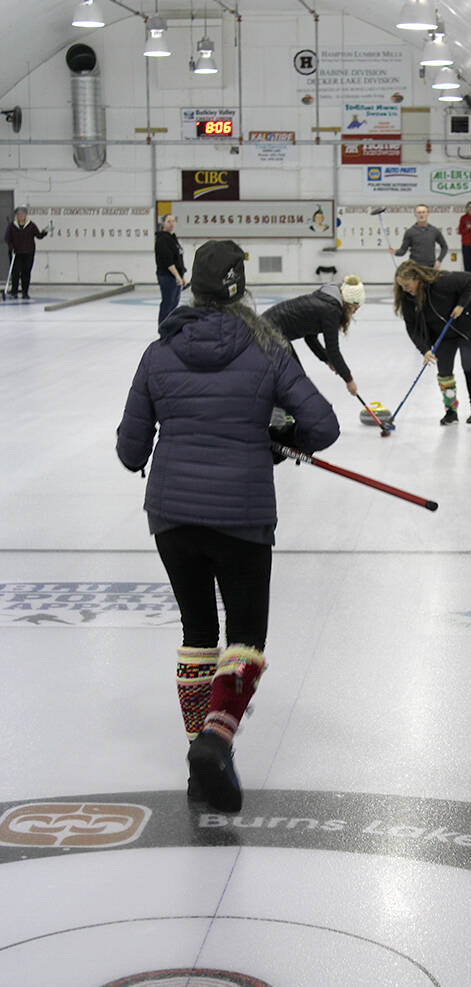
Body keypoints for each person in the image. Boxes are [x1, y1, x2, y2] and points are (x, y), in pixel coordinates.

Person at [116, 239, 340, 812]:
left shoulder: (158, 351)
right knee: (244, 639)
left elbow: (130, 449)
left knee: (196, 632)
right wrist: (279, 438)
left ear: (192, 285)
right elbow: (323, 427)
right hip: (241, 514)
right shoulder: (267, 347)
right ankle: (216, 739)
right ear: (242, 287)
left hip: (171, 514)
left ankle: (200, 762)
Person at [393, 260, 471, 425]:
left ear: (417, 279)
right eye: (401, 286)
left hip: (468, 327)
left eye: (407, 285)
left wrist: (461, 305)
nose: (405, 290)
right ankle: (451, 411)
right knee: (444, 373)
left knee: (469, 363)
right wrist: (425, 350)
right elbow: (412, 327)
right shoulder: (407, 298)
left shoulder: (441, 281)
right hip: (443, 335)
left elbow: (470, 279)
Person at [261, 276, 365, 397]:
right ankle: (283, 411)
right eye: (355, 309)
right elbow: (333, 350)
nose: (353, 313)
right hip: (270, 333)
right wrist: (349, 380)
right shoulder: (331, 310)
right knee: (295, 379)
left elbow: (310, 337)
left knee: (294, 378)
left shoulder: (326, 301)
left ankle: (283, 409)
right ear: (349, 304)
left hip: (268, 328)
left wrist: (326, 359)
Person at [3, 206, 48, 299]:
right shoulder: (12, 225)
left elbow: (38, 235)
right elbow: (7, 238)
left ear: (25, 215)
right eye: (19, 214)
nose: (20, 216)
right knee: (15, 273)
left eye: (22, 214)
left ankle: (25, 292)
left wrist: (44, 233)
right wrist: (12, 248)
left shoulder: (31, 225)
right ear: (16, 215)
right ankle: (14, 292)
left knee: (26, 272)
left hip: (28, 252)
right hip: (16, 253)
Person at [390, 204, 448, 270]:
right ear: (415, 214)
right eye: (419, 212)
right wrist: (395, 252)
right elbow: (403, 250)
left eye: (423, 212)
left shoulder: (434, 231)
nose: (421, 215)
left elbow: (444, 247)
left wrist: (439, 260)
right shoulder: (410, 232)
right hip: (414, 267)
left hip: (431, 267)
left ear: (428, 214)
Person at [155, 213, 186, 330]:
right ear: (163, 224)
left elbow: (178, 259)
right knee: (167, 303)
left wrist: (181, 275)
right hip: (167, 277)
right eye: (169, 221)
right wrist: (177, 276)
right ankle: (163, 328)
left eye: (173, 221)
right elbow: (168, 261)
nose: (172, 224)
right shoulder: (162, 239)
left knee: (173, 304)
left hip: (175, 277)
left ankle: (170, 327)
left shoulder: (172, 238)